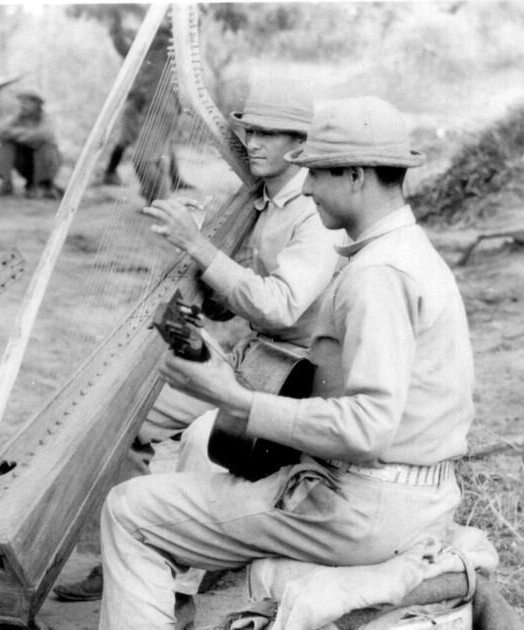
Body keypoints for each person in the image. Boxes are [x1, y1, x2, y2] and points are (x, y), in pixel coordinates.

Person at [98, 96, 475, 629]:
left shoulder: (378, 275)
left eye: (316, 173)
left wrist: (233, 398)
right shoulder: (407, 253)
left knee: (129, 510)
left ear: (356, 176)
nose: (309, 188)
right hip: (402, 494)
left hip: (361, 508)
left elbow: (367, 427)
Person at [55, 78, 340, 608]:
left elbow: (280, 306)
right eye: (250, 131)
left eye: (269, 134)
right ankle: (120, 557)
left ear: (301, 144)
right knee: (126, 410)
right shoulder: (263, 199)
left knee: (201, 438)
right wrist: (201, 276)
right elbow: (237, 301)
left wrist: (199, 245)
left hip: (295, 379)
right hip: (255, 361)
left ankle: (180, 587)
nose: (252, 143)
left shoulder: (313, 211)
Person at [100, 7, 181, 202]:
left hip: (161, 110)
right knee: (154, 157)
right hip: (148, 109)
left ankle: (158, 200)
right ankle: (157, 199)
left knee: (143, 160)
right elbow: (126, 50)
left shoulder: (164, 45)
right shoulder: (149, 50)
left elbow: (128, 48)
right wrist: (116, 28)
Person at [0, 91, 63, 200]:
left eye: (26, 102)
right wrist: (26, 135)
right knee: (8, 145)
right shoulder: (18, 118)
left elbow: (42, 135)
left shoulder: (46, 118)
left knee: (44, 146)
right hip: (26, 164)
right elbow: (0, 133)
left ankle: (42, 186)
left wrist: (17, 134)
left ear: (36, 104)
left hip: (47, 165)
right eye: (21, 102)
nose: (22, 105)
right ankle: (5, 183)